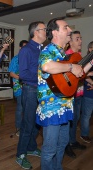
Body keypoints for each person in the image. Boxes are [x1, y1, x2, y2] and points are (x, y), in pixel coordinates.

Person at [36, 17, 93, 170]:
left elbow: (79, 74)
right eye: (65, 28)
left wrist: (90, 63)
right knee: (49, 149)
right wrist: (70, 67)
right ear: (55, 32)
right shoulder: (47, 50)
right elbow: (47, 66)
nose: (69, 30)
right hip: (51, 108)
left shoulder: (63, 55)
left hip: (65, 106)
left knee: (62, 144)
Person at [16, 21, 46, 169]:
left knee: (37, 123)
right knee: (28, 124)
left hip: (40, 91)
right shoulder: (26, 50)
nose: (46, 31)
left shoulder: (42, 49)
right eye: (44, 29)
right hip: (30, 90)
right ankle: (20, 155)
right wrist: (43, 75)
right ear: (36, 32)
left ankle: (31, 147)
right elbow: (23, 74)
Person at [65, 31, 86, 158]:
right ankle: (66, 145)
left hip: (79, 93)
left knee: (75, 120)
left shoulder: (79, 55)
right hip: (70, 95)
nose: (80, 41)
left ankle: (72, 141)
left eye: (80, 38)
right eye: (77, 39)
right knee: (69, 121)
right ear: (70, 41)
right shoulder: (67, 56)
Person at [8, 40, 28, 136]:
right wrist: (21, 78)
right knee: (20, 108)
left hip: (28, 87)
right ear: (20, 48)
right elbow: (11, 73)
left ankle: (26, 127)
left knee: (28, 108)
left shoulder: (29, 59)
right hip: (18, 87)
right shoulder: (15, 59)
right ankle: (18, 128)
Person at [80, 41, 93, 143]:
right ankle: (84, 134)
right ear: (90, 49)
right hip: (89, 93)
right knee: (86, 115)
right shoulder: (85, 60)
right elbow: (83, 75)